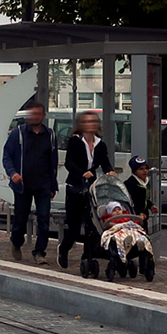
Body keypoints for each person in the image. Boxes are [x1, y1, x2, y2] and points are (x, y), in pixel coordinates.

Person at [2, 101, 58, 263]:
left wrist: (53, 185)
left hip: (43, 184)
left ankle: (39, 252)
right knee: (21, 217)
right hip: (23, 185)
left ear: (43, 116)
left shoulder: (50, 135)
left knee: (43, 218)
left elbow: (52, 161)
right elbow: (7, 156)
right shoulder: (18, 134)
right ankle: (16, 242)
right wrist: (13, 173)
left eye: (37, 114)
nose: (33, 117)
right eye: (31, 114)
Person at [59, 111, 114, 269]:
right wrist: (81, 172)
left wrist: (109, 171)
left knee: (92, 225)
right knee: (75, 227)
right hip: (75, 187)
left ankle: (88, 255)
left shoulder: (100, 144)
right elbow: (69, 162)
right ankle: (63, 250)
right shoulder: (75, 141)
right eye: (87, 121)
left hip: (91, 188)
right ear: (81, 125)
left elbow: (105, 162)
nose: (91, 124)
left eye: (93, 121)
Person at [124, 155, 158, 222]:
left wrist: (151, 206)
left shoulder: (146, 182)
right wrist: (138, 213)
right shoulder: (130, 183)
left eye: (146, 168)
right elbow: (130, 202)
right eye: (141, 169)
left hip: (144, 217)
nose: (145, 171)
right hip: (134, 217)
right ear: (135, 171)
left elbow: (145, 199)